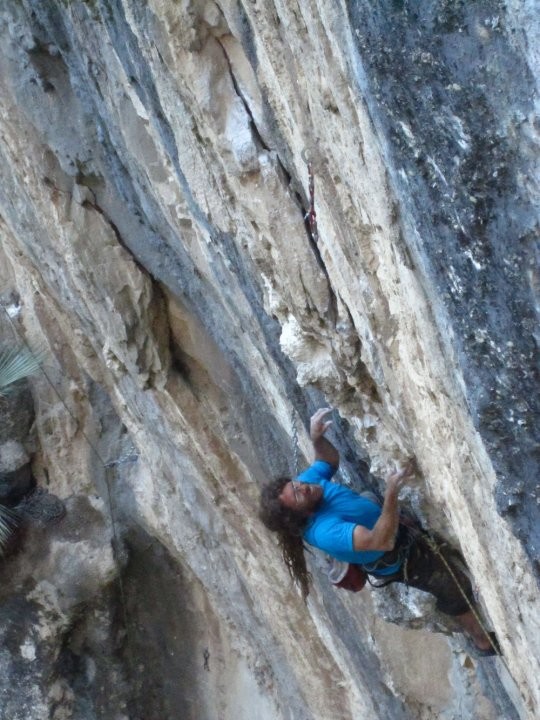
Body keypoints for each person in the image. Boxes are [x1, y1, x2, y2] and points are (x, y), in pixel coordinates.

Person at [259, 408, 498, 655]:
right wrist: (392, 492)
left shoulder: (308, 486)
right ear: (303, 515)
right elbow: (382, 541)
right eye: (298, 494)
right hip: (396, 555)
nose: (303, 487)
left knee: (367, 498)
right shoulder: (325, 532)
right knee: (451, 585)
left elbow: (328, 462)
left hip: (377, 526)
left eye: (295, 484)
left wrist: (317, 439)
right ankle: (482, 641)